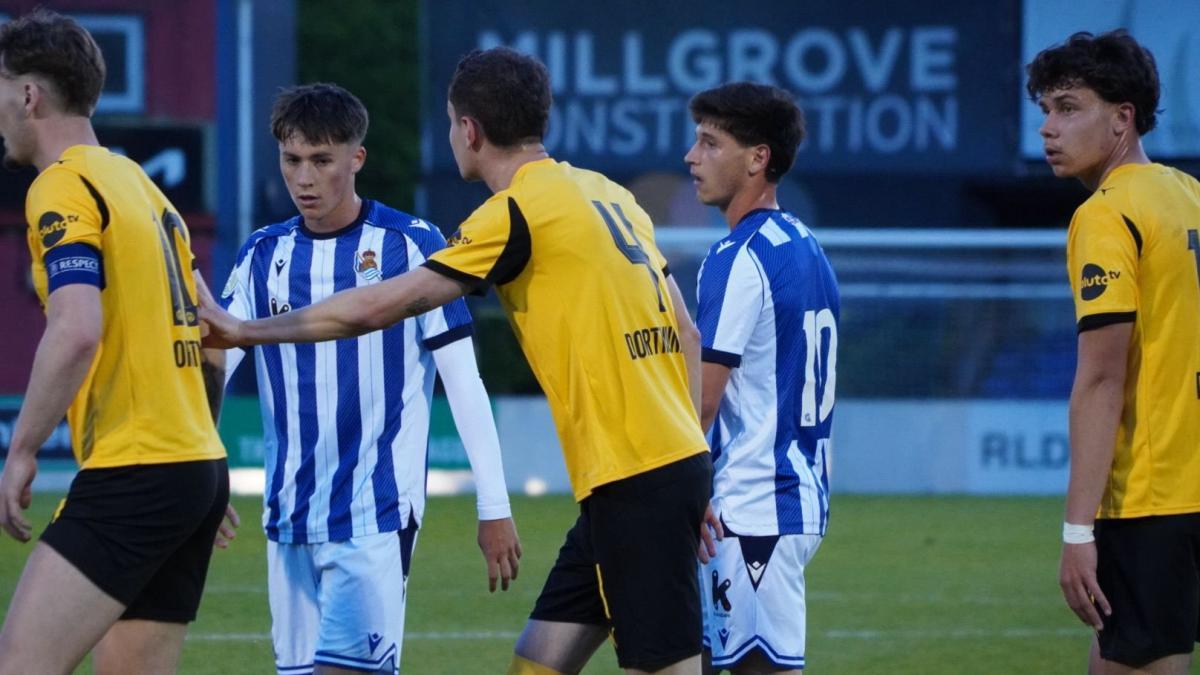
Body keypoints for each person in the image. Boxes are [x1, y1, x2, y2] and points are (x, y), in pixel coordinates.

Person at [200, 47, 721, 675]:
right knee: (539, 660)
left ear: (469, 130)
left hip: (635, 476)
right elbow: (687, 334)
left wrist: (245, 330)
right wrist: (695, 472)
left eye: (451, 122)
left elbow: (374, 309)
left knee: (664, 666)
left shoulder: (514, 212)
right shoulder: (606, 192)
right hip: (658, 468)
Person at [216, 82, 521, 675]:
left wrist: (495, 505)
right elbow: (217, 366)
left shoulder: (411, 245)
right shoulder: (261, 255)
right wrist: (199, 471)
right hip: (286, 516)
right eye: (292, 160)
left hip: (373, 513)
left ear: (356, 159)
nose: (304, 178)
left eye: (321, 161)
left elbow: (462, 381)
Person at [0, 9, 234, 675]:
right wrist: (199, 458)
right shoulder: (147, 191)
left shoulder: (61, 185)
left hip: (138, 469)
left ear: (27, 94)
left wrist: (19, 453)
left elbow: (76, 329)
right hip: (192, 463)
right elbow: (211, 335)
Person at [1027, 29, 1200, 674]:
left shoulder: (1105, 213)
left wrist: (1078, 532)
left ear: (1123, 117)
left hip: (1150, 495)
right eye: (1045, 109)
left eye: (1068, 108)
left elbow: (1101, 381)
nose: (1049, 128)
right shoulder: (1188, 195)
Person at [683, 83, 838, 675]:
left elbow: (703, 399)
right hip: (796, 496)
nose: (691, 157)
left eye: (709, 142)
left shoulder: (737, 255)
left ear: (757, 158)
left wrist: (685, 492)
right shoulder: (805, 245)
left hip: (751, 508)